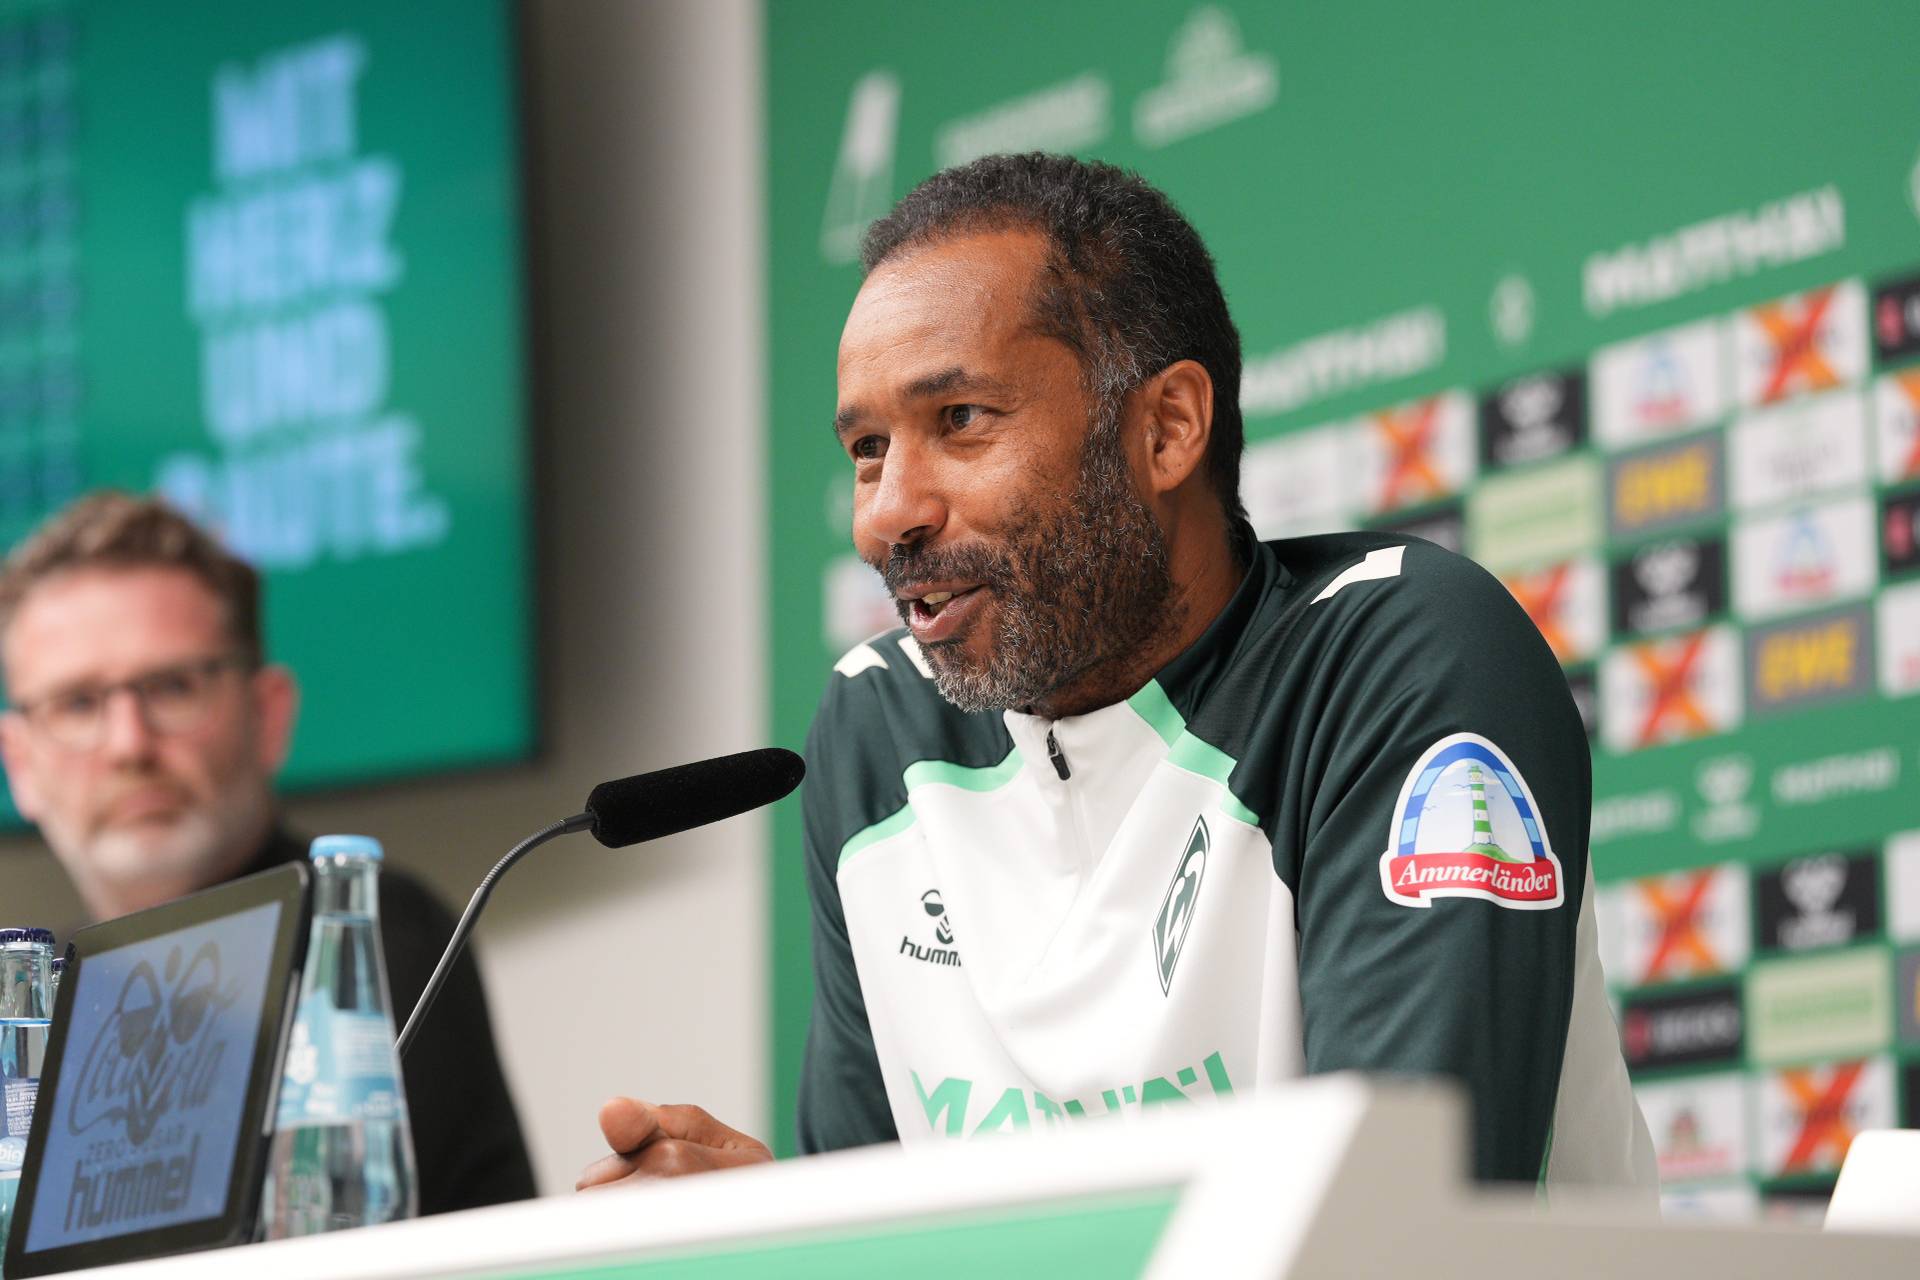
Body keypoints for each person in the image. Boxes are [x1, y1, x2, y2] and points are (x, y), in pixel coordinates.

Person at [577, 153, 1656, 1193]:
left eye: (960, 420)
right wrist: (776, 1240)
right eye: (867, 448)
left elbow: (1393, 1232)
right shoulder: (882, 723)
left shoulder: (1397, 659)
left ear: (1167, 428)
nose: (886, 514)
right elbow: (879, 1231)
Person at [0, 492, 537, 1214]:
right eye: (76, 704)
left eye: (173, 686)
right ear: (19, 764)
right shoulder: (25, 1002)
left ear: (268, 716)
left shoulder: (364, 937)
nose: (129, 744)